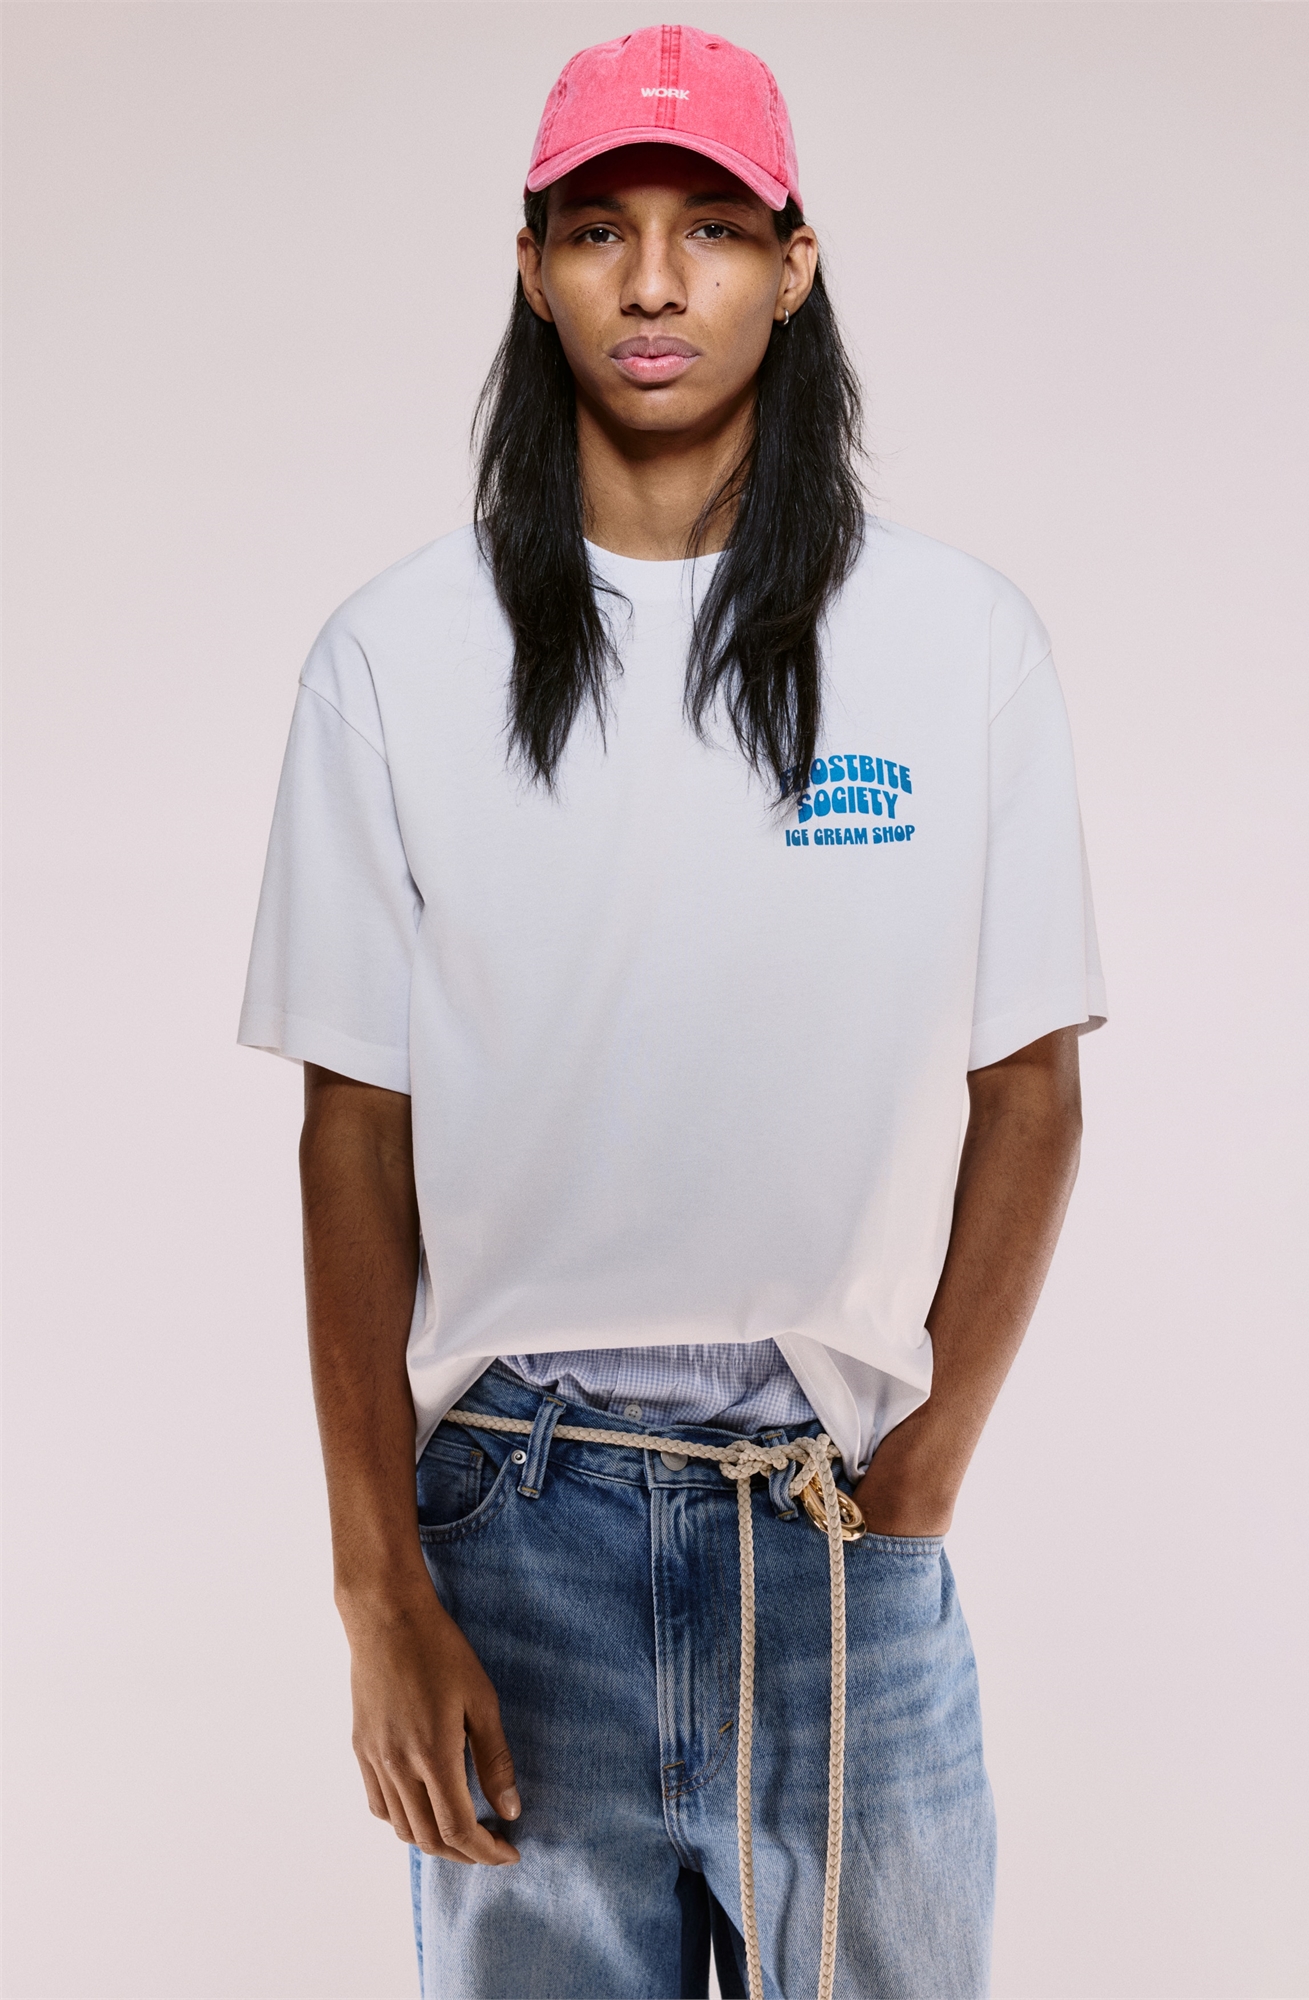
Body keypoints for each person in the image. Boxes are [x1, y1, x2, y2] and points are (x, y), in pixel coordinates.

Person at [239, 23, 1105, 1999]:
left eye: (709, 227)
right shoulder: (393, 659)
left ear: (792, 265)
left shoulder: (954, 644)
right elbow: (351, 1138)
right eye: (596, 229)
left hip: (835, 1531)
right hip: (513, 1529)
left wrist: (918, 1483)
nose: (651, 281)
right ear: (529, 264)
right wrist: (379, 1589)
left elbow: (1031, 1090)